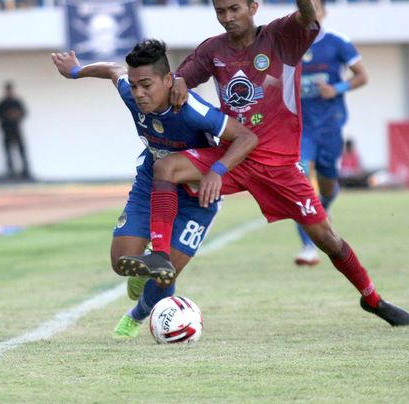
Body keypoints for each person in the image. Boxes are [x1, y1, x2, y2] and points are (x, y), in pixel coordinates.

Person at [118, 0, 409, 327]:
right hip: (233, 155)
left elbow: (309, 18)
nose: (228, 17)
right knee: (166, 167)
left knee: (326, 239)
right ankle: (159, 254)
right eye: (220, 11)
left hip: (279, 164)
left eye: (234, 8)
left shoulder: (281, 37)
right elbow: (179, 80)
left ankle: (372, 299)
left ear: (253, 7)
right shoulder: (213, 50)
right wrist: (175, 82)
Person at [51, 39, 257, 338]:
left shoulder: (191, 109)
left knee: (166, 273)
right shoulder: (132, 95)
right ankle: (143, 268)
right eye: (134, 86)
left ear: (167, 80)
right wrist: (76, 71)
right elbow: (113, 70)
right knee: (121, 262)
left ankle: (137, 315)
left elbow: (246, 137)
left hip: (195, 196)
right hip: (151, 183)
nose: (139, 93)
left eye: (146, 85)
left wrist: (217, 172)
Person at [293, 0, 369, 267]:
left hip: (330, 125)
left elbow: (362, 76)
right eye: (304, 7)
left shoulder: (338, 42)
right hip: (300, 129)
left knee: (326, 186)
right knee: (300, 181)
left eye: (314, 7)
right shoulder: (288, 45)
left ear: (324, 11)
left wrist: (335, 88)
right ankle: (308, 248)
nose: (310, 12)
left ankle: (323, 207)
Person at [0, 81, 31, 179]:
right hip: (6, 130)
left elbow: (24, 113)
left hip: (17, 130)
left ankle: (26, 171)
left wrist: (16, 114)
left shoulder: (17, 102)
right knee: (8, 152)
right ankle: (10, 172)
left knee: (22, 151)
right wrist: (7, 115)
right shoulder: (2, 103)